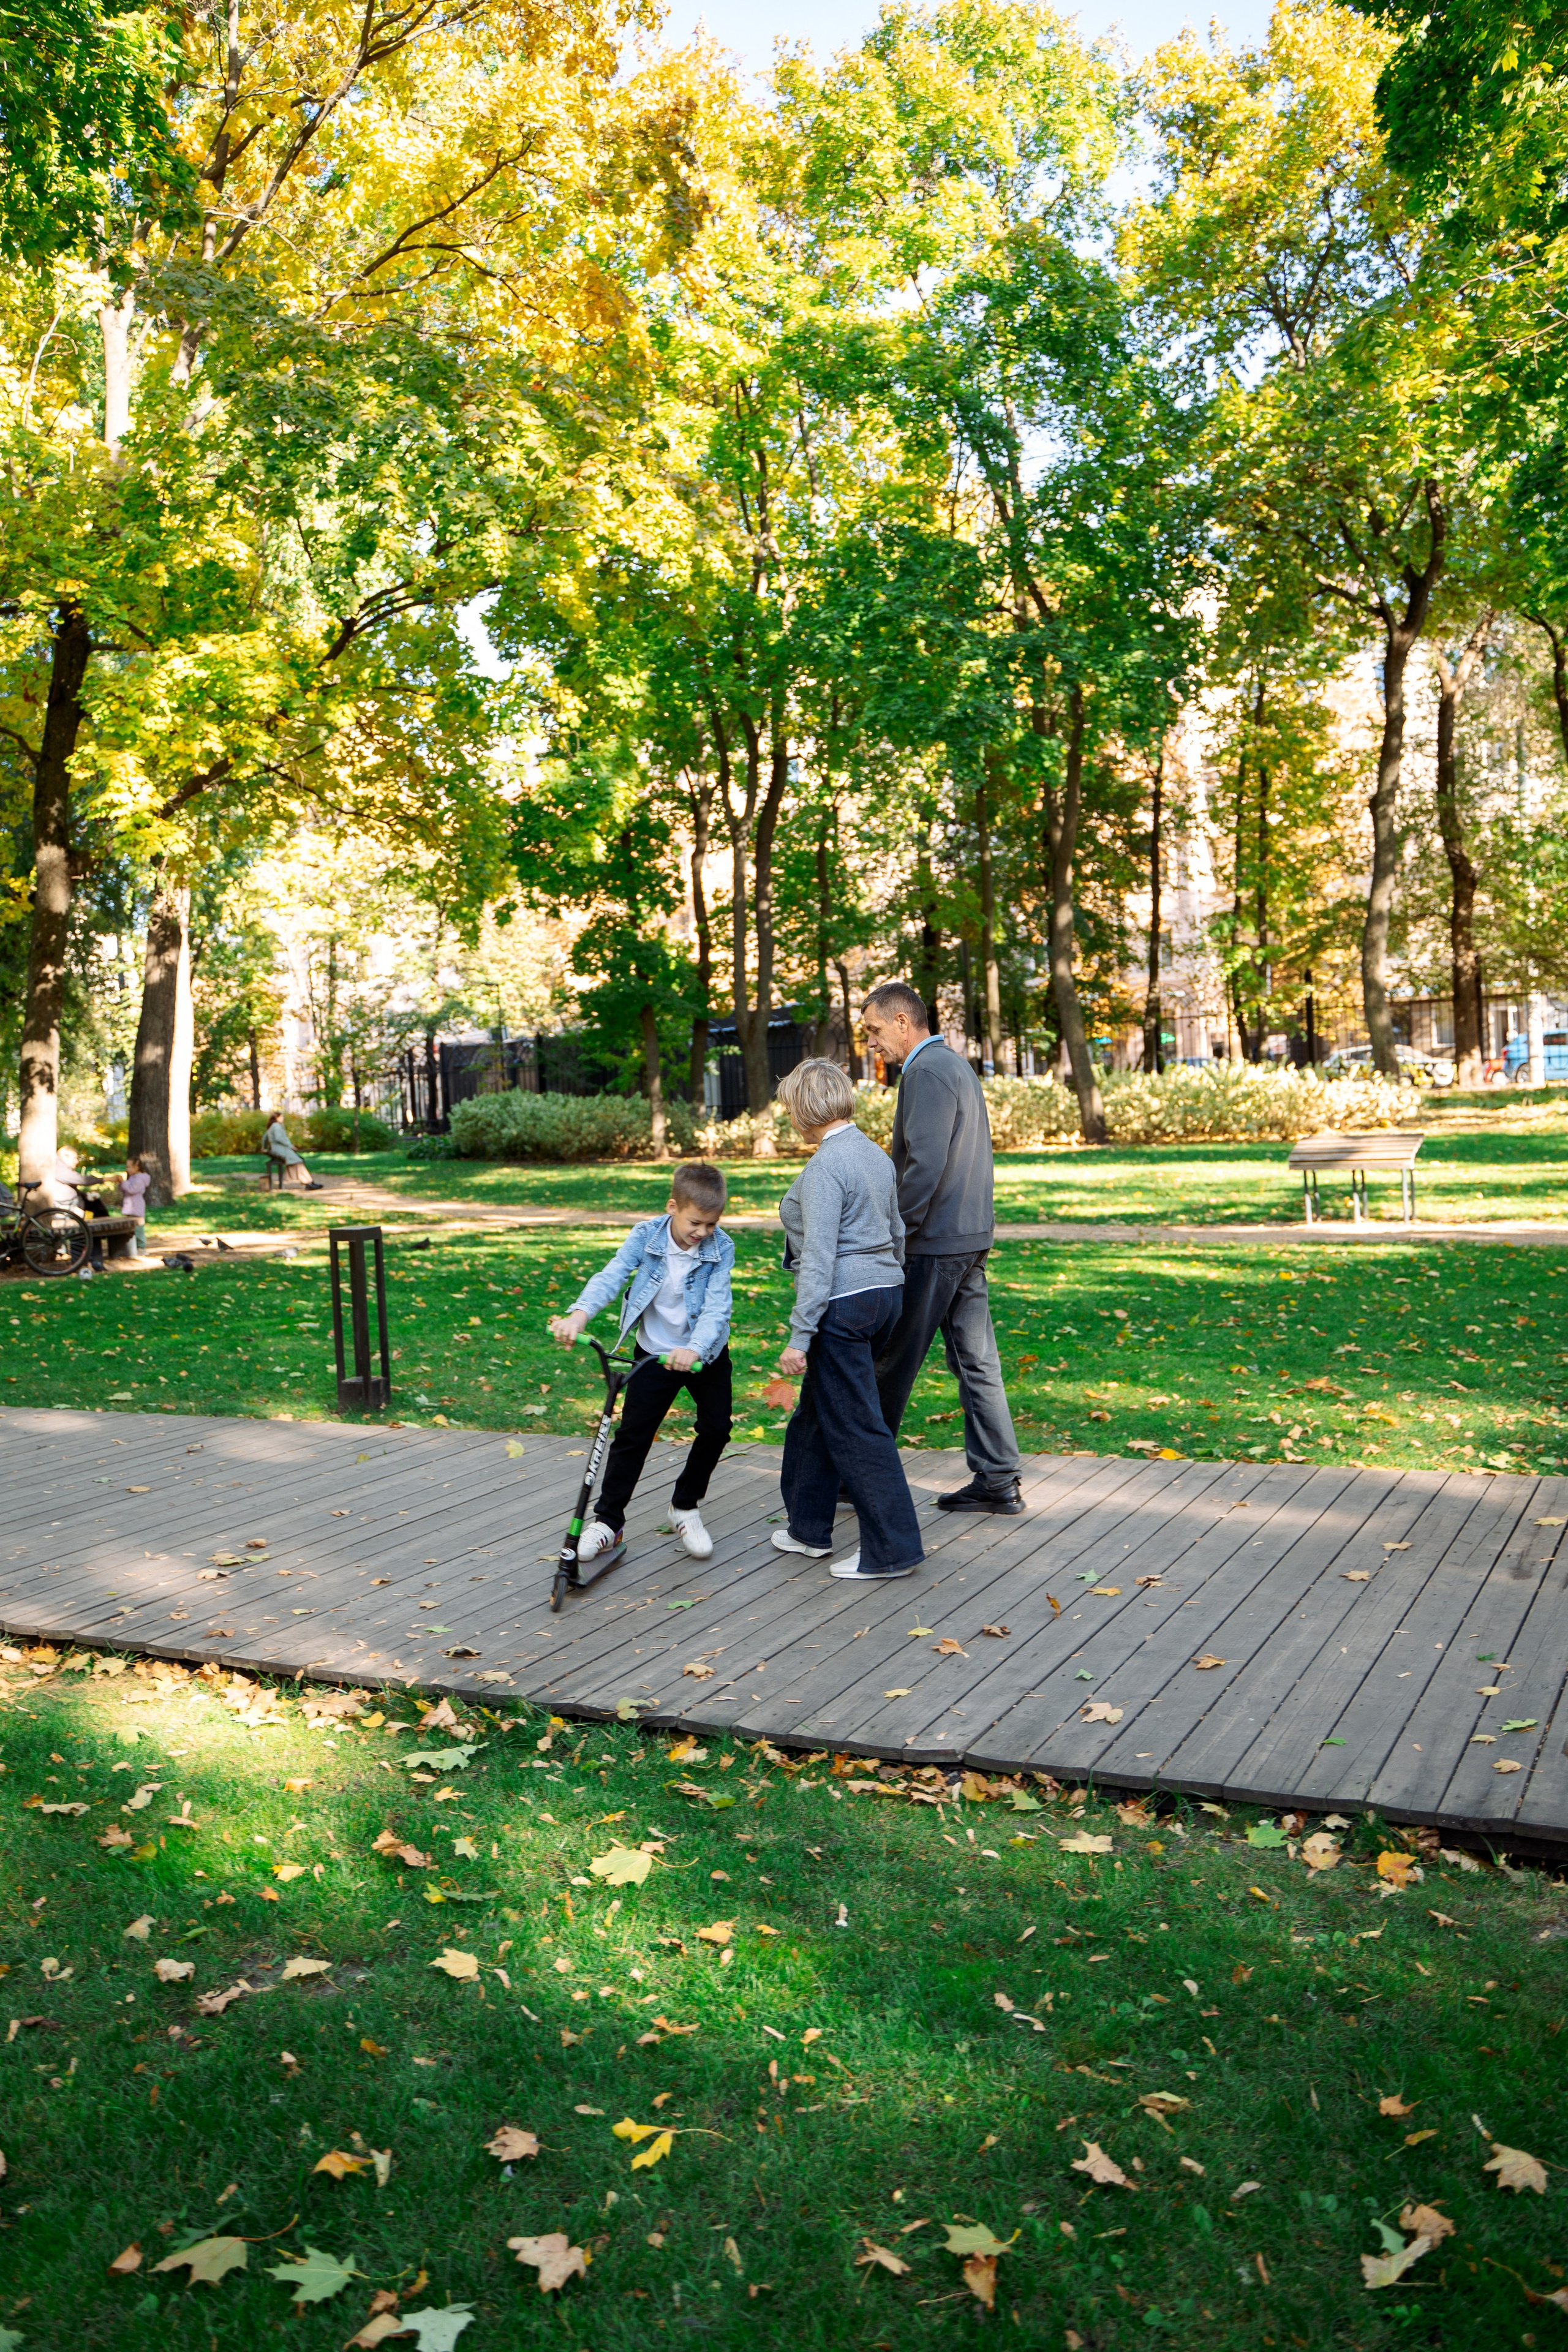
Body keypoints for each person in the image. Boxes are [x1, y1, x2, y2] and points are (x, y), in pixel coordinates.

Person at [859, 980, 1023, 1514]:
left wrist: (892, 1233)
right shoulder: (954, 1065)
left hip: (935, 1242)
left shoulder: (926, 1071)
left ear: (903, 1022)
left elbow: (923, 1165)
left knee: (892, 1360)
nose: (872, 1043)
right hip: (968, 1234)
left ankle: (859, 1472)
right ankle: (998, 1479)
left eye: (875, 1031)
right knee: (977, 1362)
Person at [772, 1057, 924, 1582]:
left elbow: (818, 1257)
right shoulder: (874, 1154)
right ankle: (807, 1529)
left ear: (801, 1110)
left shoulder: (825, 1169)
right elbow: (896, 1228)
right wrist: (889, 1279)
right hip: (885, 1295)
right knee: (816, 1415)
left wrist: (800, 1334)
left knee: (857, 1428)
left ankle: (893, 1549)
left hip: (843, 1305)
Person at [549, 1161, 734, 1562]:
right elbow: (612, 1275)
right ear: (673, 1206)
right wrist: (579, 1314)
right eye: (695, 1223)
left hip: (705, 1356)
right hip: (654, 1352)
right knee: (633, 1435)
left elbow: (717, 1310)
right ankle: (608, 1522)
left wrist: (695, 1349)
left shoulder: (722, 1248)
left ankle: (684, 1506)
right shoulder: (646, 1236)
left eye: (711, 1223)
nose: (703, 1232)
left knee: (717, 1428)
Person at [262, 1112, 323, 1191]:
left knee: (298, 1162)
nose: (283, 1118)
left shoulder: (271, 1126)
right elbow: (279, 1138)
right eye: (282, 1117)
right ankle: (309, 1183)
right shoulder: (277, 1126)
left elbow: (264, 1139)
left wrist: (264, 1148)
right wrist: (290, 1146)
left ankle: (309, 1182)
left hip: (279, 1149)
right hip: (281, 1149)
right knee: (298, 1161)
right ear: (277, 1118)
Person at [118, 1155, 151, 1256]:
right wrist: (120, 1184)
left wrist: (123, 1182)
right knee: (130, 1227)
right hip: (130, 1206)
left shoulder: (140, 1179)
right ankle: (132, 1247)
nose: (127, 1169)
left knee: (138, 1227)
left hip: (136, 1206)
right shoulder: (133, 1178)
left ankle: (141, 1247)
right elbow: (126, 1189)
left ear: (136, 1167)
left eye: (129, 1167)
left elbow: (131, 1190)